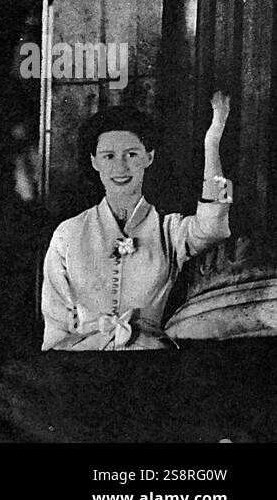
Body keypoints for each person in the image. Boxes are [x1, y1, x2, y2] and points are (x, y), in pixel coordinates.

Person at [40, 94, 232, 351]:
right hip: (82, 366)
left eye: (131, 154)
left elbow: (215, 224)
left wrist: (212, 143)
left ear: (148, 157)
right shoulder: (68, 233)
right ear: (94, 162)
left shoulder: (169, 229)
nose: (120, 167)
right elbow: (55, 324)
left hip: (152, 364)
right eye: (108, 156)